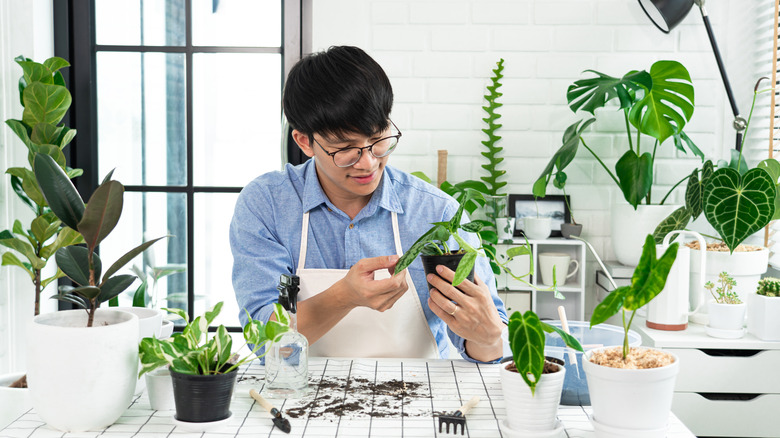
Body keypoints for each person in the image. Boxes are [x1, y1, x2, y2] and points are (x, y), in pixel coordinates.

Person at [230, 45, 507, 363]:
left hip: (418, 398)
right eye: (345, 148)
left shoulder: (437, 214)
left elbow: (486, 348)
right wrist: (344, 296)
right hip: (305, 396)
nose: (368, 162)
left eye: (378, 139)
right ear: (305, 142)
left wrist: (488, 338)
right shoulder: (267, 206)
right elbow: (266, 344)